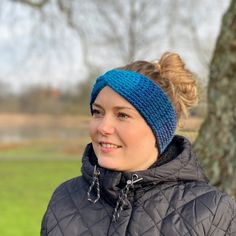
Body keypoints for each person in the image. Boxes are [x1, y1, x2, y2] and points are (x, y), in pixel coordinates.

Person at [41, 52, 236, 236]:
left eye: (122, 115)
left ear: (159, 129)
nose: (103, 127)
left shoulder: (212, 211)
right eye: (98, 112)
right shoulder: (65, 199)